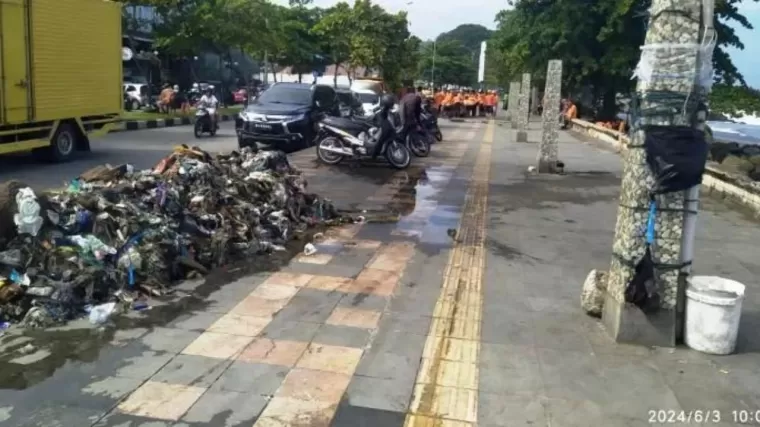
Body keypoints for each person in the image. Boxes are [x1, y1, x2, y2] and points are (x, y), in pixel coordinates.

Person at [370, 94, 398, 159]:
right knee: (381, 137)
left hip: (380, 122)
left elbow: (390, 118)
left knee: (382, 134)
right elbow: (382, 120)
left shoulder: (386, 109)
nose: (392, 103)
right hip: (377, 123)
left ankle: (376, 151)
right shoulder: (382, 109)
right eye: (391, 102)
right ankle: (374, 152)